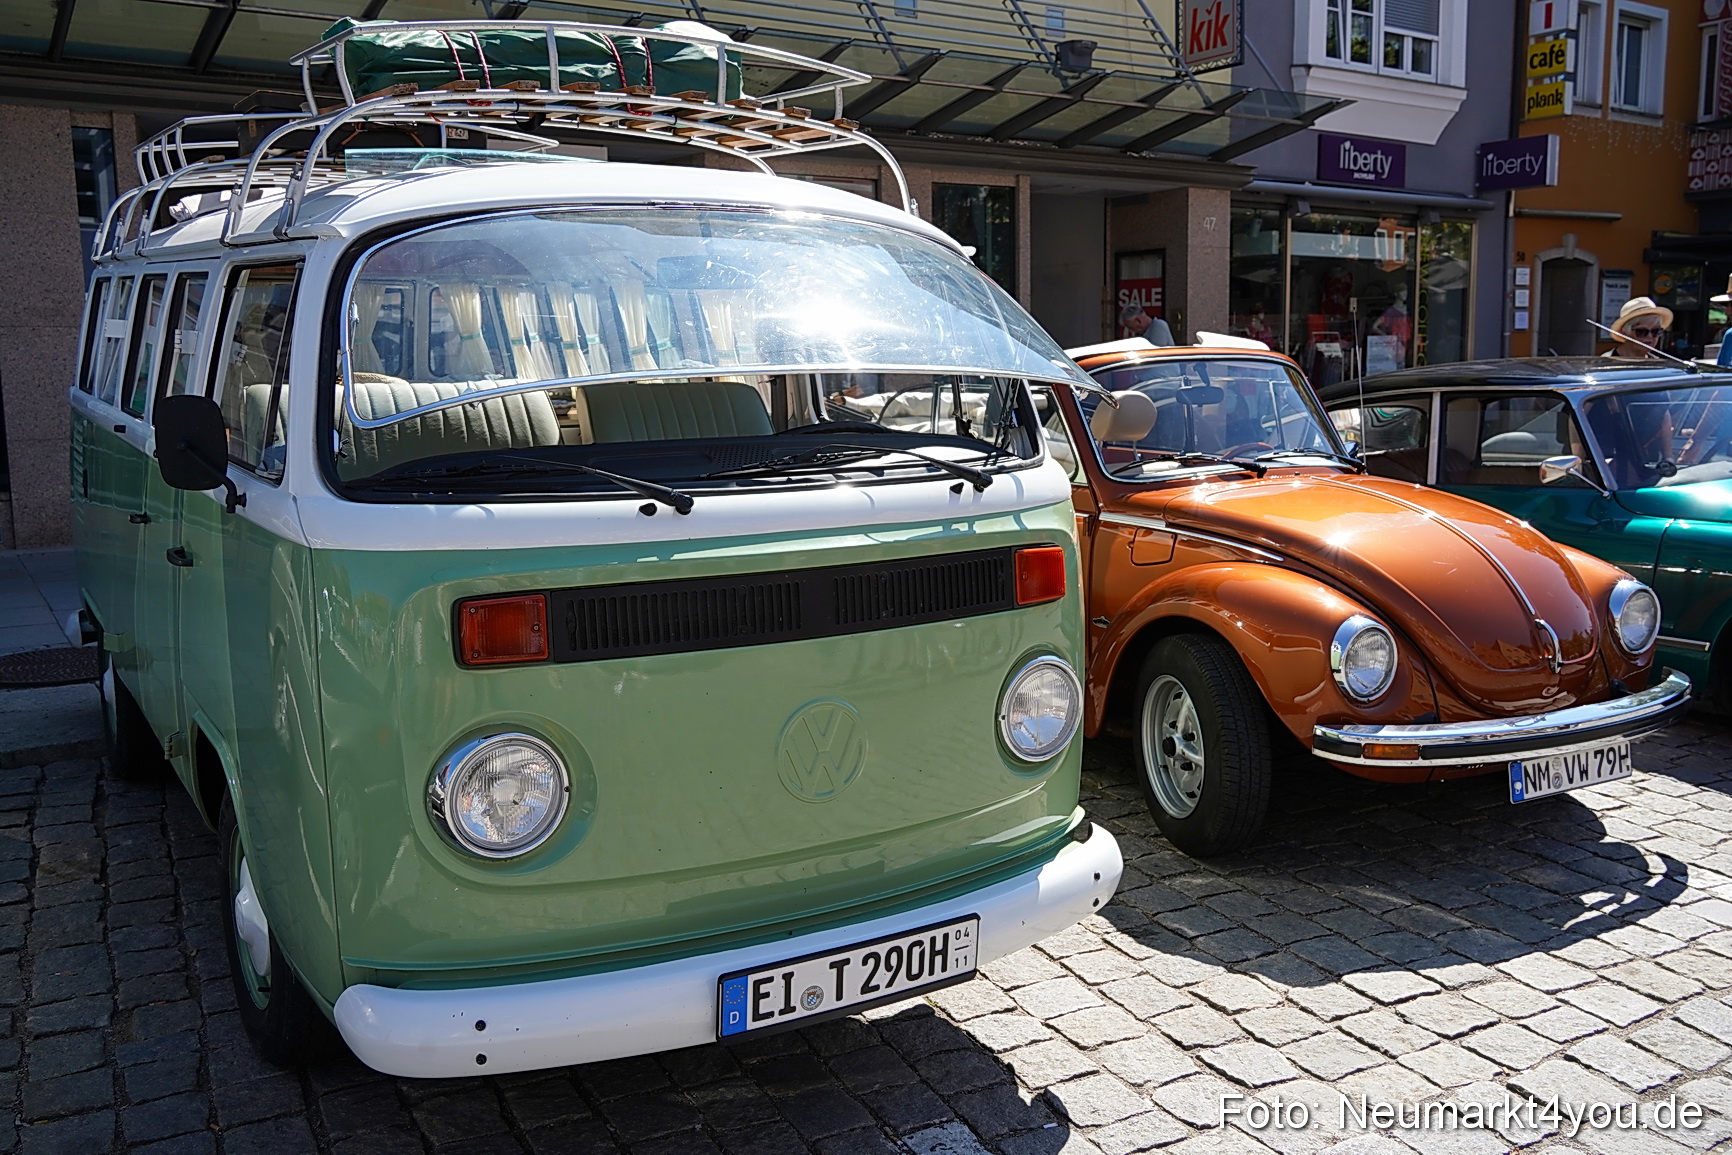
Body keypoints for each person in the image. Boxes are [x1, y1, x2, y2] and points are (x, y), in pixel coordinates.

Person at [1604, 297, 1672, 360]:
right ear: (1624, 334)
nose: (1650, 336)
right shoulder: (1606, 363)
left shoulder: (1658, 365)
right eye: (1641, 331)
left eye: (1655, 331)